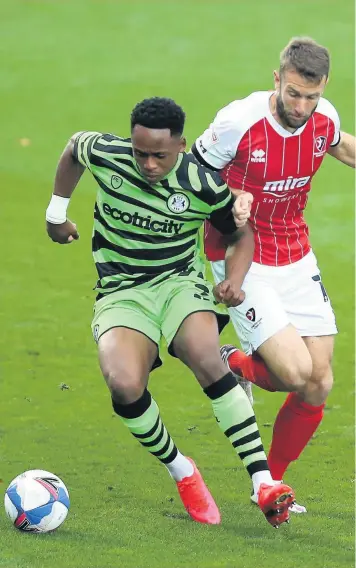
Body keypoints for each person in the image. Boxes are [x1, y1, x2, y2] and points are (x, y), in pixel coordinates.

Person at [45, 97, 295, 527]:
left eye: (159, 155)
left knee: (202, 354)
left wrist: (233, 281)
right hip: (121, 291)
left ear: (181, 145)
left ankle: (262, 482)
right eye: (140, 152)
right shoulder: (107, 154)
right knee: (123, 384)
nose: (148, 164)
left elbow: (241, 235)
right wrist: (55, 214)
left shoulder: (203, 185)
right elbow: (72, 149)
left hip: (179, 283)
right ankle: (182, 470)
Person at [192, 37, 355, 513]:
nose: (301, 106)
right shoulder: (237, 122)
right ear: (277, 79)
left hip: (296, 252)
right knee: (294, 373)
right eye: (293, 94)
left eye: (312, 96)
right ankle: (233, 361)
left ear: (323, 88)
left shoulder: (324, 118)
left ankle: (270, 485)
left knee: (320, 382)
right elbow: (193, 172)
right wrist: (229, 201)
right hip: (242, 255)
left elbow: (336, 145)